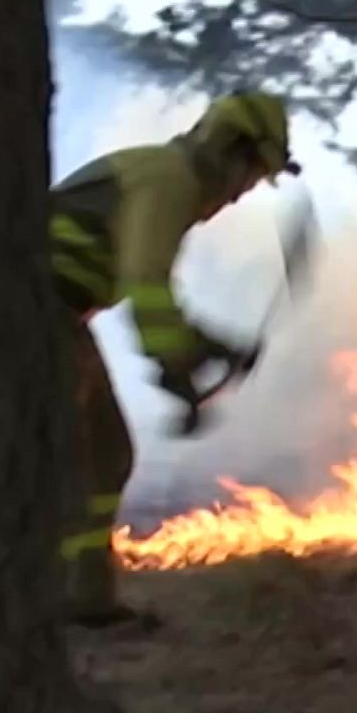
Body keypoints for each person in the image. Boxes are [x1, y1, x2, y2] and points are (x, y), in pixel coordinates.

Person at [48, 90, 300, 627]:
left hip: (55, 315)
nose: (240, 194)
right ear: (230, 150)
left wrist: (208, 350)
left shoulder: (164, 176)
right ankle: (45, 596)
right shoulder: (169, 179)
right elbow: (145, 283)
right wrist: (180, 363)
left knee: (104, 453)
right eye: (251, 175)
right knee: (73, 458)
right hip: (30, 312)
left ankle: (86, 598)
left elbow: (148, 292)